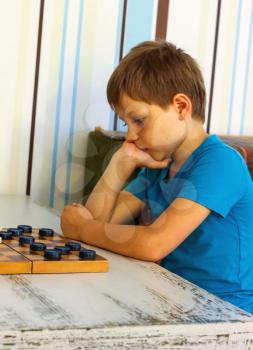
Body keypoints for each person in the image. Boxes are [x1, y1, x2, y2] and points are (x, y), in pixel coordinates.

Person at [61, 40, 253, 313]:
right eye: (127, 125)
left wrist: (82, 228)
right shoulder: (161, 165)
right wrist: (121, 161)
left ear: (180, 107)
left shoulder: (221, 162)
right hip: (174, 300)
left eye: (138, 120)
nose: (131, 136)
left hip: (227, 313)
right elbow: (100, 223)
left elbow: (154, 244)